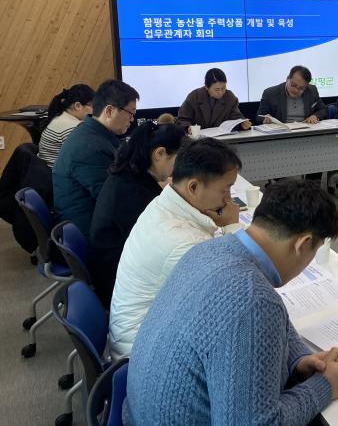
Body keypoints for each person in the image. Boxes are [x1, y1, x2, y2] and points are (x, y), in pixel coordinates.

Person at [124, 180, 338, 424]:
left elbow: (264, 317)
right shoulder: (254, 300)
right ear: (303, 244)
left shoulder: (209, 250)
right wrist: (326, 385)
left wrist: (297, 358)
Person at [108, 138, 242, 358]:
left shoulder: (164, 204)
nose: (228, 199)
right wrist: (231, 226)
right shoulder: (184, 241)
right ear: (193, 187)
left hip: (141, 332)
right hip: (142, 354)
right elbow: (237, 288)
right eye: (226, 189)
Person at [88, 122, 187, 308]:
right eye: (178, 160)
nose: (178, 170)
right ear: (159, 154)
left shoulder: (127, 174)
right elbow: (161, 248)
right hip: (119, 287)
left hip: (111, 270)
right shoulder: (134, 193)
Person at [53, 79, 139, 238]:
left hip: (89, 220)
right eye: (131, 113)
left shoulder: (91, 133)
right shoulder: (89, 149)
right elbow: (115, 200)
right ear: (109, 111)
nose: (132, 119)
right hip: (92, 233)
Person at [38, 84, 95, 168]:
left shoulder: (60, 117)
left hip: (51, 169)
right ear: (78, 106)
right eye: (92, 105)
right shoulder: (72, 127)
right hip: (59, 173)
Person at [176, 67, 250, 130]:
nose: (221, 92)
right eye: (217, 89)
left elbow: (236, 117)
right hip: (197, 140)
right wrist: (187, 127)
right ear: (206, 87)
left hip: (223, 139)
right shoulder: (194, 97)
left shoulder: (230, 97)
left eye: (223, 88)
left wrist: (242, 124)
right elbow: (182, 120)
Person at [256, 65, 328, 125]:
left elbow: (323, 109)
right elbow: (259, 117)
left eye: (301, 88)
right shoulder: (270, 93)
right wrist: (265, 119)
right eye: (293, 85)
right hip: (282, 133)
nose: (296, 90)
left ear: (306, 86)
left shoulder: (312, 90)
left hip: (306, 130)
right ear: (287, 78)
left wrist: (315, 116)